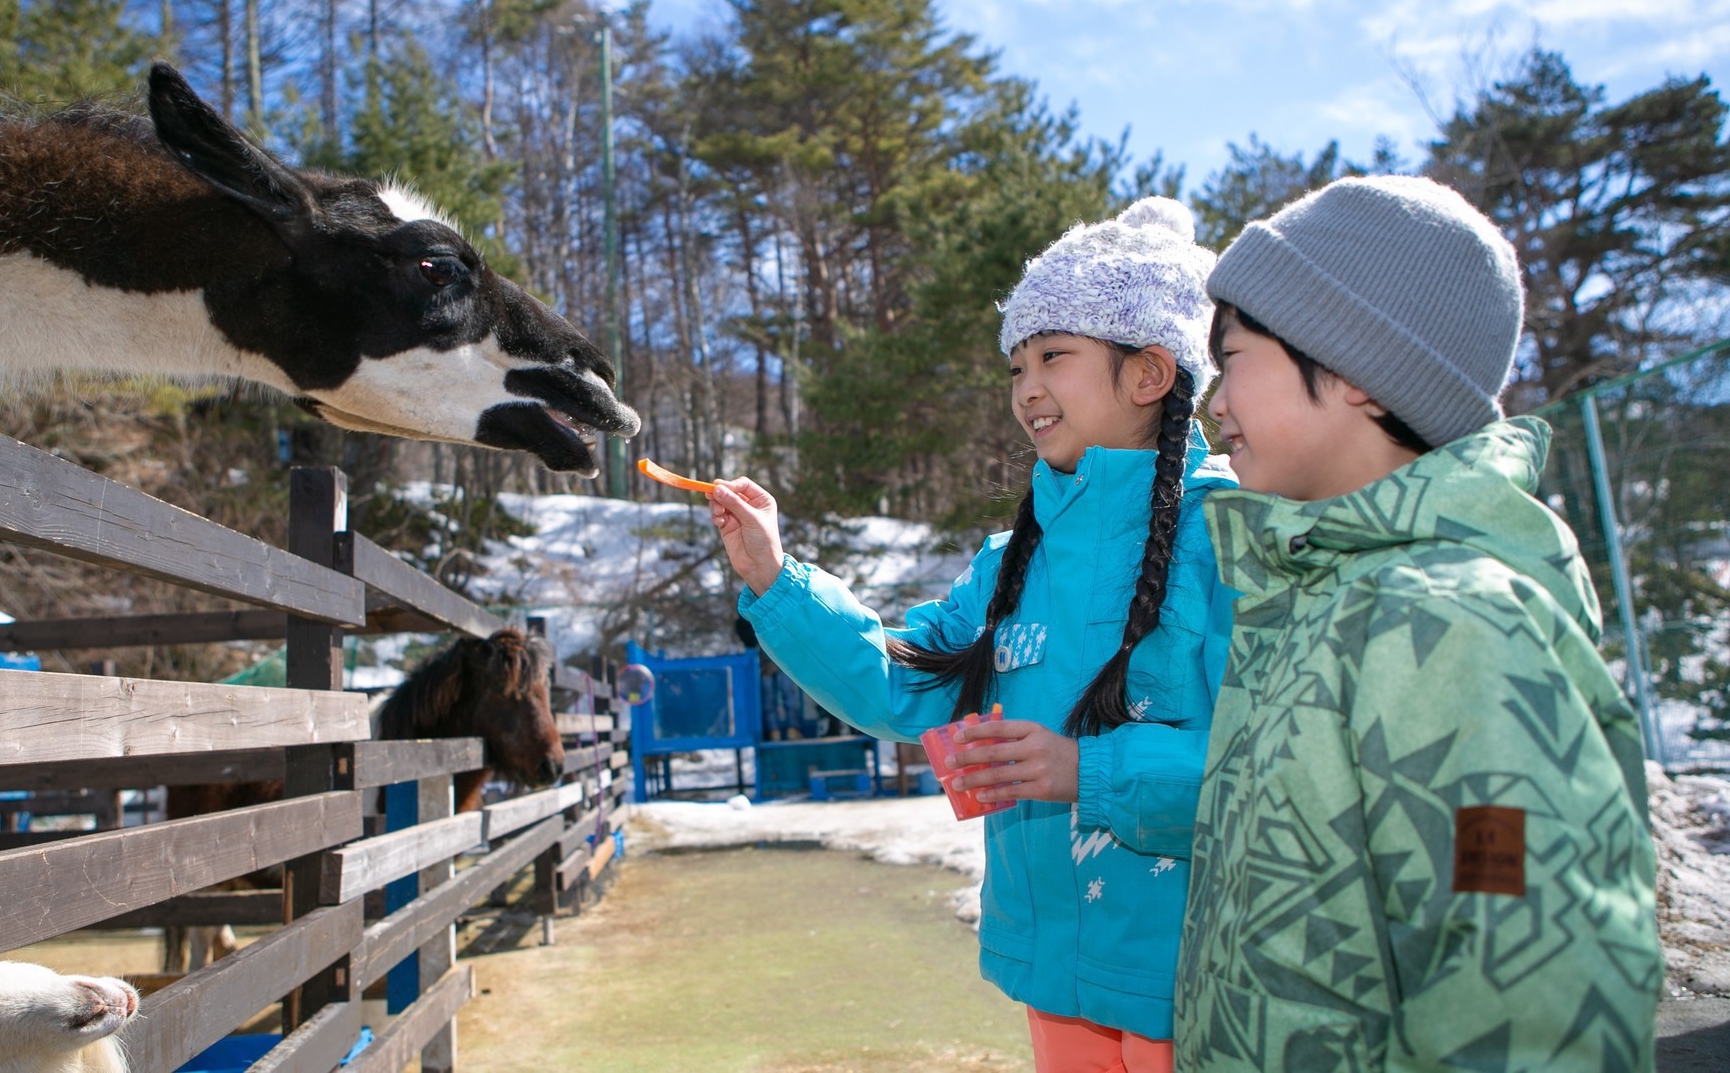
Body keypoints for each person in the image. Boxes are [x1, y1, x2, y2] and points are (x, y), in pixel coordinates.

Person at [710, 198, 1236, 1072]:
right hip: (1052, 978)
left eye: (1055, 356)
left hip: (1190, 979)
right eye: (1017, 364)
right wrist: (776, 576)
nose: (1028, 387)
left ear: (1150, 373)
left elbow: (1269, 772)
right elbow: (901, 682)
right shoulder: (1007, 564)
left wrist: (1088, 771)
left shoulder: (1230, 538)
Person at [1174, 175, 1662, 1070]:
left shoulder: (1449, 626)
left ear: (1354, 367)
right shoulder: (1320, 602)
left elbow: (1524, 995)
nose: (1215, 400)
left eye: (1235, 356)